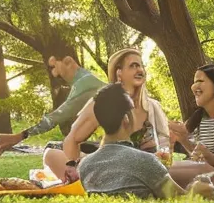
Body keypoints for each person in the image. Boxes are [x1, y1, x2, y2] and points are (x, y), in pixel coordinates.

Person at [47, 48, 171, 180]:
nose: (140, 70)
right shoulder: (103, 102)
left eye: (141, 66)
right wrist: (76, 171)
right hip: (110, 168)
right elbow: (72, 139)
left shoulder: (153, 107)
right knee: (52, 152)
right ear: (119, 73)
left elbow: (165, 149)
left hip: (145, 169)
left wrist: (162, 158)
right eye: (133, 66)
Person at [0, 40, 104, 153]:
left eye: (54, 67)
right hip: (111, 143)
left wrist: (19, 136)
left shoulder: (83, 84)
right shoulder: (86, 79)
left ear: (68, 61)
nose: (54, 74)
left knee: (52, 148)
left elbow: (54, 118)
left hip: (117, 146)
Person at [78, 83, 190, 199]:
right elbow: (182, 199)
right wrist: (197, 187)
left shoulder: (85, 166)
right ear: (126, 119)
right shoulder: (145, 161)